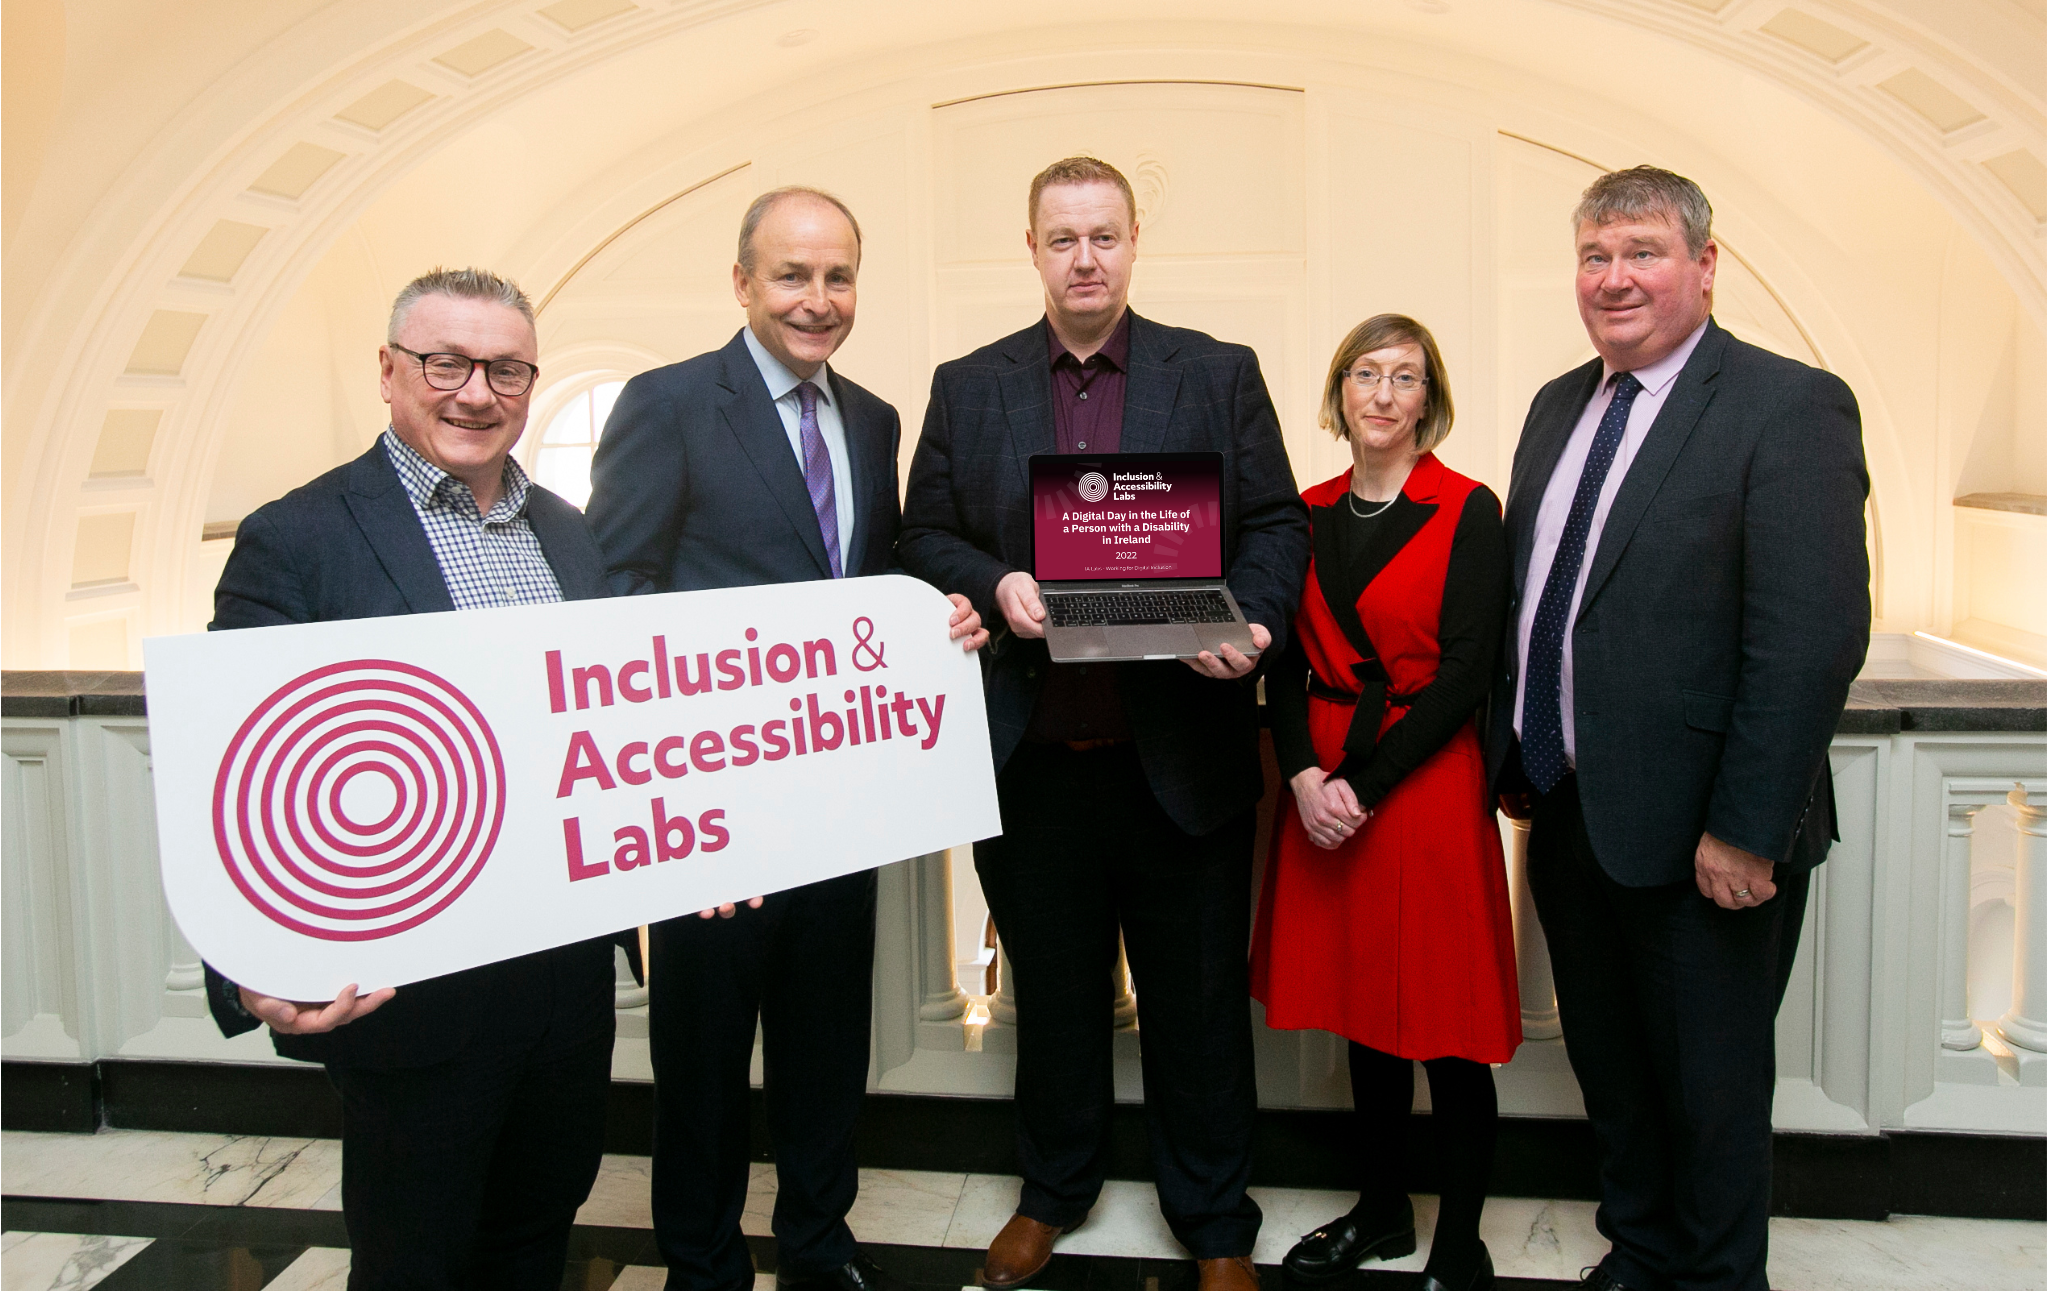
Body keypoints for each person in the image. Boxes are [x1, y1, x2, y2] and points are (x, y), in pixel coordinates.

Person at [898, 156, 1310, 1291]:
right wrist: (992, 581)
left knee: (1197, 1008)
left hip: (1179, 757)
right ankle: (1052, 1191)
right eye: (1062, 238)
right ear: (1029, 248)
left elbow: (1276, 525)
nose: (1084, 258)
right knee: (1056, 999)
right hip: (1031, 764)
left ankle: (1216, 1218)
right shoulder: (968, 383)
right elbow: (919, 534)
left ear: (1134, 244)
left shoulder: (1216, 373)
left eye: (1104, 237)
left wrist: (1255, 622)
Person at [584, 186, 985, 1291]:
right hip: (711, 815)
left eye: (838, 276)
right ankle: (702, 1263)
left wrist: (934, 608)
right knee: (703, 1062)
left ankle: (818, 1242)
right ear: (743, 283)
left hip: (838, 804)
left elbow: (873, 578)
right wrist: (671, 788)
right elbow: (615, 592)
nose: (818, 300)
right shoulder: (664, 404)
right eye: (793, 276)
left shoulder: (870, 418)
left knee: (823, 1051)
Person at [1486, 167, 1869, 1291]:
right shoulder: (1559, 403)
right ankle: (1639, 1246)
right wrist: (1516, 755)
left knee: (1706, 1091)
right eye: (1594, 256)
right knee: (1611, 1067)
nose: (1614, 278)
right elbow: (1539, 595)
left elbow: (1806, 641)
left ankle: (1710, 1276)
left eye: (1642, 252)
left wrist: (1746, 830)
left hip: (1710, 836)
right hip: (1569, 812)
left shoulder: (1786, 403)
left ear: (1705, 266)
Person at [202, 267, 622, 1290]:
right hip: (412, 992)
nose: (477, 393)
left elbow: (614, 727)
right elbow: (234, 763)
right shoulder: (297, 538)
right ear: (389, 372)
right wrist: (249, 956)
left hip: (565, 983)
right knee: (413, 1259)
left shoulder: (570, 533)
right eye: (446, 363)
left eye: (506, 368)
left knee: (536, 1237)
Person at [1251, 314, 1517, 1291]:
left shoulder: (1465, 508)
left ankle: (1461, 1236)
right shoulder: (1301, 511)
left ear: (1427, 400)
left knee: (1443, 1019)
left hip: (1420, 784)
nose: (1380, 392)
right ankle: (1380, 1211)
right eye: (1364, 373)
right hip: (1318, 781)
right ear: (1338, 392)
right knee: (1362, 1012)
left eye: (1403, 377)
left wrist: (1357, 785)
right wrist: (1302, 775)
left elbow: (1464, 674)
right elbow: (1276, 654)